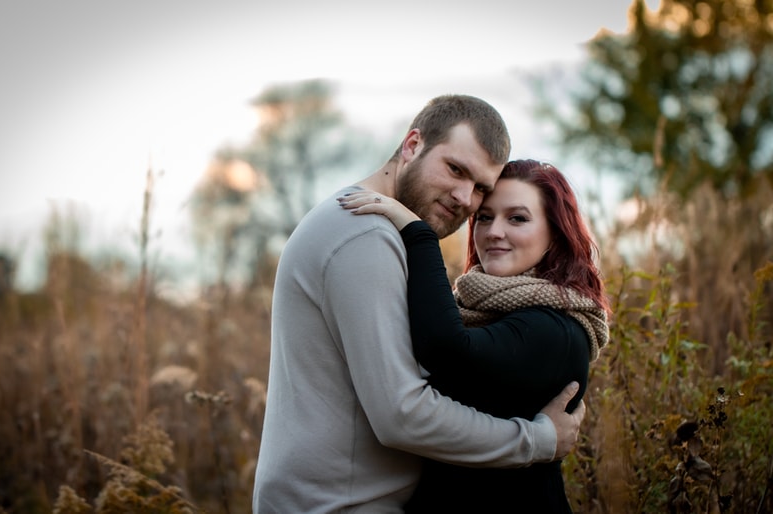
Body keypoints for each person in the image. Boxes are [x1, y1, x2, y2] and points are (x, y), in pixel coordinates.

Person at [253, 95, 586, 513]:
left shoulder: (369, 229)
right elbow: (402, 414)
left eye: (480, 187)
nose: (466, 198)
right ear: (412, 146)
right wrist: (537, 441)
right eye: (455, 169)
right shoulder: (365, 238)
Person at [338, 159, 610, 512]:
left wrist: (419, 233)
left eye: (517, 218)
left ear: (555, 234)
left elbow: (447, 349)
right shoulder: (479, 312)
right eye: (484, 217)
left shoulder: (557, 329)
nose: (494, 231)